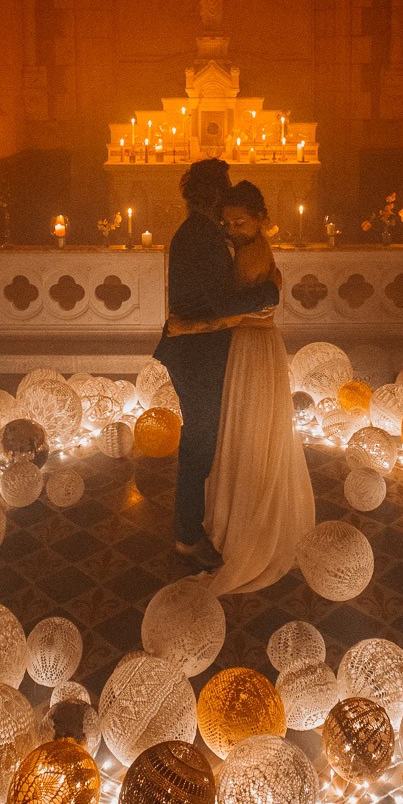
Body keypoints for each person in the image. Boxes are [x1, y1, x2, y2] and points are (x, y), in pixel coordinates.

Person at [153, 159, 280, 569]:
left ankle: (199, 523)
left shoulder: (199, 232)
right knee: (199, 444)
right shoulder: (201, 236)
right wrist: (269, 295)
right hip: (196, 357)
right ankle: (187, 538)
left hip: (197, 352)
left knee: (204, 440)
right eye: (222, 190)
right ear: (213, 194)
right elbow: (225, 302)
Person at [203, 181, 315, 594]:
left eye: (241, 221)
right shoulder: (253, 248)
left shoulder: (250, 256)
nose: (232, 228)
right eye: (227, 222)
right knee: (258, 429)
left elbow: (235, 308)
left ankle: (245, 522)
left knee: (248, 428)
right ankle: (248, 512)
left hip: (251, 346)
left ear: (261, 220)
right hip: (260, 347)